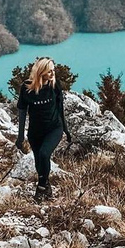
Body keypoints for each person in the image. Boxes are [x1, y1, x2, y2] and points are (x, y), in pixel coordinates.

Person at [15, 57, 72, 202]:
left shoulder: (54, 85)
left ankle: (40, 189)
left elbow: (60, 107)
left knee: (44, 154)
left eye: (53, 70)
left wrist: (66, 129)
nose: (53, 74)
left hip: (54, 128)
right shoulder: (27, 89)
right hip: (35, 132)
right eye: (49, 71)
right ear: (41, 72)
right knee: (38, 163)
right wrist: (20, 137)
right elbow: (22, 111)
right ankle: (47, 187)